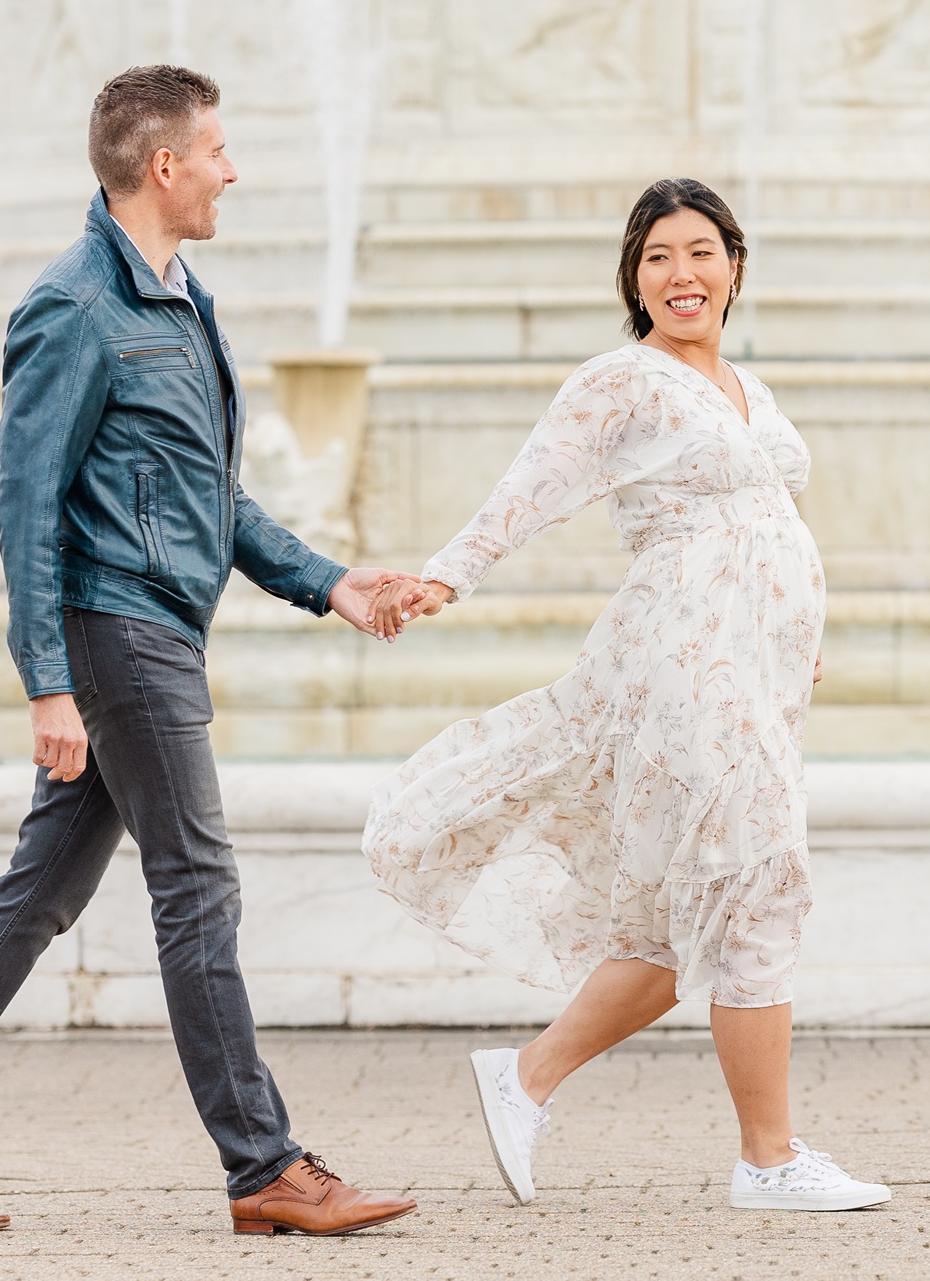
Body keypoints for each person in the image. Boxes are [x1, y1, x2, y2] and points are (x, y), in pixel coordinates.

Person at [0, 65, 422, 1239]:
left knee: (38, 893)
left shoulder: (179, 298)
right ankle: (263, 1165)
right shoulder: (75, 307)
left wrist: (333, 583)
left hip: (147, 629)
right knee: (197, 889)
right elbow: (25, 503)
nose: (230, 171)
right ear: (164, 167)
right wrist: (47, 679)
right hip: (120, 634)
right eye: (217, 151)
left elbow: (216, 497)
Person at [361, 177, 890, 1213]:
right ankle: (768, 1163)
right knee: (760, 884)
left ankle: (524, 1078)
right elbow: (530, 489)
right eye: (656, 258)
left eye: (699, 252)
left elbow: (763, 532)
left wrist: (790, 636)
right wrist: (443, 575)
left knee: (672, 918)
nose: (680, 274)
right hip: (684, 662)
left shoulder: (749, 387)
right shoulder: (622, 380)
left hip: (753, 671)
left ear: (735, 266)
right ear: (634, 281)